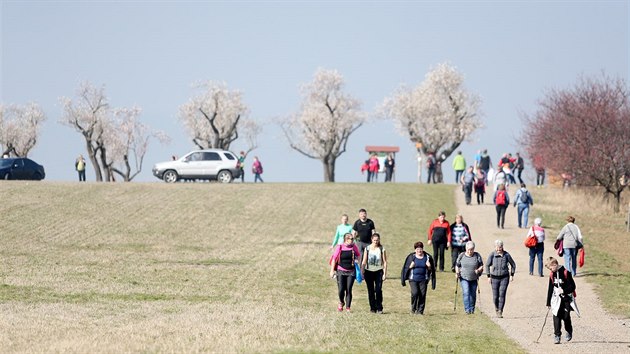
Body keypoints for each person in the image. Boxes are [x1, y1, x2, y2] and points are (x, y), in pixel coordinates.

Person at [545, 257, 576, 344]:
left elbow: (573, 287)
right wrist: (548, 302)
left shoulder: (566, 273)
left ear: (555, 265)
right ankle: (557, 335)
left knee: (566, 317)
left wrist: (563, 290)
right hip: (556, 300)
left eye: (551, 268)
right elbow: (550, 288)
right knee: (556, 316)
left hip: (566, 299)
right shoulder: (552, 274)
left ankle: (569, 331)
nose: (550, 270)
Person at [401, 241, 436, 315]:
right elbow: (406, 268)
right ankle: (413, 309)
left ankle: (420, 311)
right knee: (415, 293)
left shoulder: (427, 257)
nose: (419, 251)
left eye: (420, 249)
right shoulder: (411, 257)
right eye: (417, 249)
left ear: (422, 249)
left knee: (422, 295)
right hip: (413, 279)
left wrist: (429, 266)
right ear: (415, 250)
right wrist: (410, 266)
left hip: (423, 279)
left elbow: (432, 270)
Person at [330, 233, 361, 312]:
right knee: (341, 289)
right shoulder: (340, 247)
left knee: (348, 289)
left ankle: (348, 307)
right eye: (350, 239)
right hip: (340, 270)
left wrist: (358, 262)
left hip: (351, 271)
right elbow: (334, 259)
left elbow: (359, 255)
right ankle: (341, 302)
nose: (352, 240)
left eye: (352, 239)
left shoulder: (354, 247)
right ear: (345, 239)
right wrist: (332, 270)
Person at [486, 240, 516, 318]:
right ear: (495, 247)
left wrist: (512, 274)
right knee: (495, 296)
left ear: (502, 247)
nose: (499, 249)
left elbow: (513, 264)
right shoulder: (492, 255)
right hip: (494, 278)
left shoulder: (506, 255)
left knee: (502, 294)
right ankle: (496, 308)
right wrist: (488, 276)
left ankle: (500, 311)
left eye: (500, 247)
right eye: (497, 247)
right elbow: (487, 265)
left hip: (504, 277)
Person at [361, 233, 387, 313]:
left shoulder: (381, 248)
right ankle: (372, 307)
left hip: (378, 271)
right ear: (372, 240)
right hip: (369, 272)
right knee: (371, 290)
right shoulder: (367, 248)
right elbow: (364, 261)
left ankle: (379, 307)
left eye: (377, 240)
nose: (376, 242)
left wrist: (385, 273)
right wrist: (362, 271)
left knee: (378, 290)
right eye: (374, 240)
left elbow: (385, 261)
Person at [455, 241, 484, 314]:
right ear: (466, 249)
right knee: (466, 292)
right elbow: (457, 265)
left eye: (471, 249)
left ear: (474, 249)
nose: (470, 251)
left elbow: (481, 265)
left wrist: (478, 270)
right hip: (464, 277)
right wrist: (457, 272)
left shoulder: (477, 256)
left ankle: (472, 309)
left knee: (473, 294)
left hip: (474, 278)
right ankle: (467, 309)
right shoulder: (462, 255)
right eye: (468, 249)